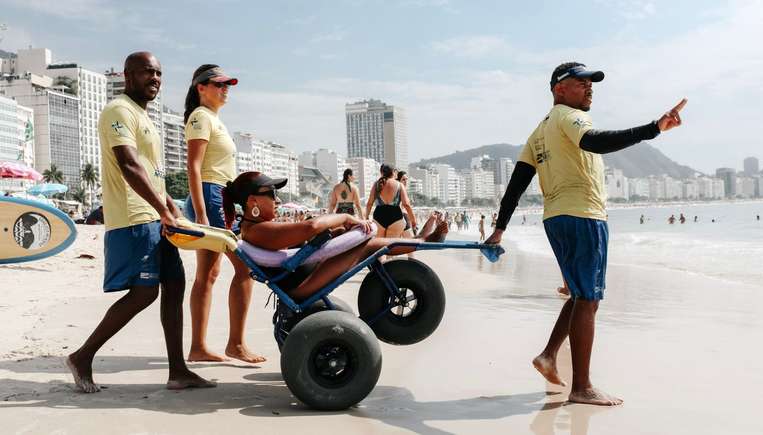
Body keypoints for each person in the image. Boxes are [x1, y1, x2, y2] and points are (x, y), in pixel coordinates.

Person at [485, 61, 686, 406]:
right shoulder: (569, 117)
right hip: (583, 215)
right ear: (559, 89)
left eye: (591, 83)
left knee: (580, 295)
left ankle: (549, 356)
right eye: (581, 82)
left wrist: (500, 229)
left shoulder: (540, 129)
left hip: (557, 218)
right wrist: (653, 128)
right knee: (589, 299)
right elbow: (595, 142)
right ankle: (582, 387)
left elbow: (517, 182)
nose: (590, 87)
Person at [66, 52, 214, 393]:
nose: (155, 78)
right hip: (135, 216)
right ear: (127, 74)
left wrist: (171, 209)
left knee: (174, 285)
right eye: (147, 71)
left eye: (159, 73)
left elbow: (153, 172)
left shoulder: (145, 117)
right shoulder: (118, 111)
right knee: (145, 292)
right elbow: (130, 167)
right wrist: (161, 210)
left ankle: (177, 371)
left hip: (156, 215)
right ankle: (82, 356)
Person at [223, 172, 448, 301]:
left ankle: (422, 241)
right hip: (300, 285)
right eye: (272, 194)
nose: (277, 199)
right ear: (252, 201)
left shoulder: (256, 228)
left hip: (300, 276)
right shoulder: (258, 231)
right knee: (366, 244)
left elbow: (302, 237)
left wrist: (338, 231)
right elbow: (311, 226)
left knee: (357, 238)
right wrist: (345, 218)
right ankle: (423, 241)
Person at [182, 64, 265, 364]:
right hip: (211, 195)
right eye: (218, 84)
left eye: (227, 84)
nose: (225, 88)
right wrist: (203, 213)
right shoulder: (201, 117)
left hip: (219, 196)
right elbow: (193, 166)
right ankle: (235, 345)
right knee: (245, 268)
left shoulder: (213, 119)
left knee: (208, 274)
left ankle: (198, 347)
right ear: (200, 88)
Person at [366, 164, 417, 238]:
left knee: (380, 245)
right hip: (395, 217)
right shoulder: (399, 185)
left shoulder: (376, 184)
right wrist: (413, 220)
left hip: (379, 217)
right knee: (391, 245)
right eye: (396, 172)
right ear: (393, 172)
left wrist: (367, 217)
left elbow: (369, 203)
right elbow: (406, 204)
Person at [396, 171, 416, 237]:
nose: (406, 181)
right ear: (399, 180)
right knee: (410, 241)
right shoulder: (400, 190)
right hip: (402, 217)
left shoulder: (397, 190)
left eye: (406, 179)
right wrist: (413, 220)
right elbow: (406, 205)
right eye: (403, 179)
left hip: (398, 218)